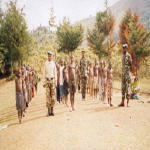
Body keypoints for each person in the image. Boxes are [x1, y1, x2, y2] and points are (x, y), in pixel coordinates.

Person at [43, 51, 57, 116]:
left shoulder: (53, 63)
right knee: (48, 96)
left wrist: (56, 81)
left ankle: (52, 110)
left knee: (53, 96)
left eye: (50, 55)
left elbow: (55, 73)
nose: (49, 56)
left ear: (52, 56)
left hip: (52, 80)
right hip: (47, 81)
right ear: (47, 56)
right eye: (48, 55)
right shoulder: (45, 63)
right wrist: (44, 82)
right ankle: (48, 111)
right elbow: (44, 73)